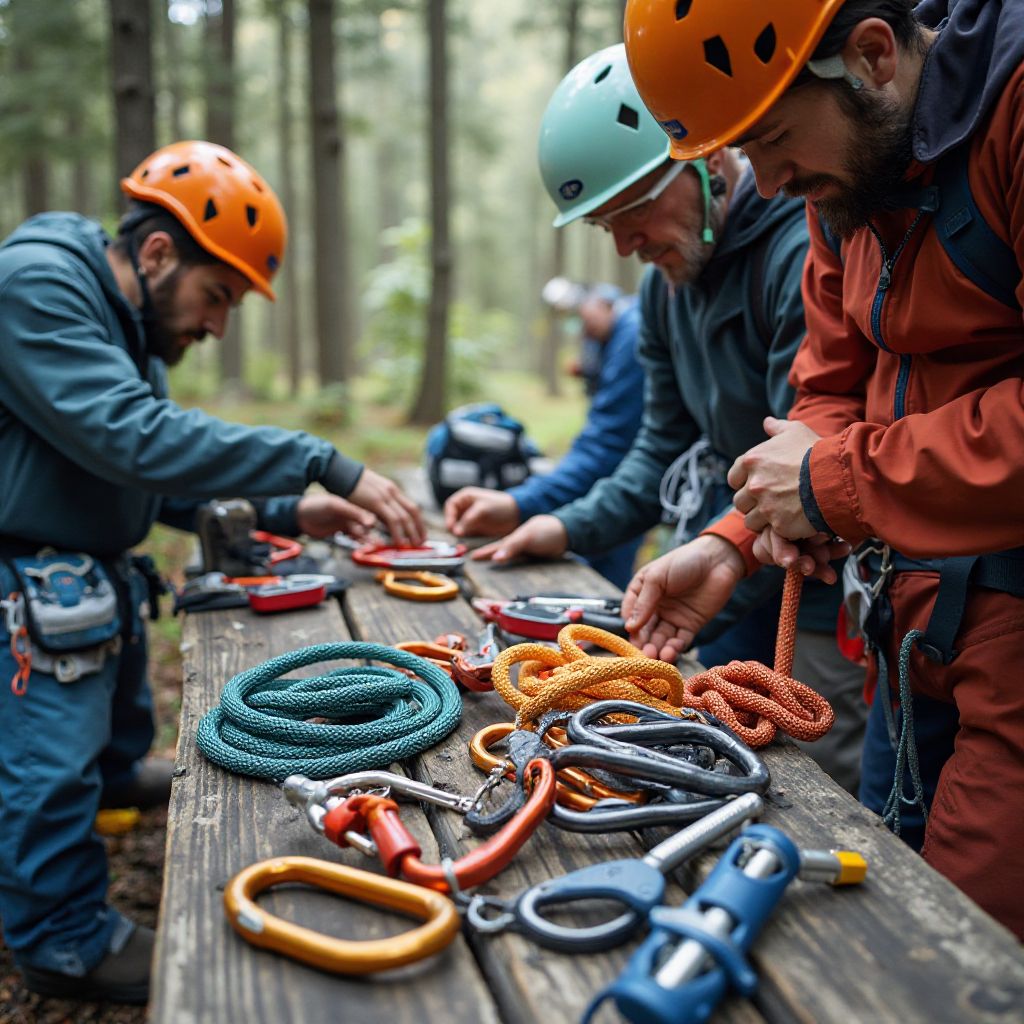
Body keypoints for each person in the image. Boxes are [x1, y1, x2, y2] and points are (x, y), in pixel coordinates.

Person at [622, 0, 1024, 939]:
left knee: (955, 951)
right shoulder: (843, 190)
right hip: (910, 633)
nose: (763, 181)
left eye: (768, 138)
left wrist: (837, 485)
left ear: (873, 57)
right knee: (881, 906)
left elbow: (833, 462)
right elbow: (827, 395)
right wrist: (736, 542)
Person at [0, 139, 425, 1003]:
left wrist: (288, 511)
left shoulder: (132, 329)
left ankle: (113, 780)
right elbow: (132, 437)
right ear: (159, 253)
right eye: (216, 295)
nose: (218, 325)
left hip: (77, 565)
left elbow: (140, 473)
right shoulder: (37, 287)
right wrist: (316, 461)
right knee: (44, 765)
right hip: (20, 573)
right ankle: (62, 941)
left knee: (98, 712)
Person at [470, 44, 867, 789]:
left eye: (633, 210)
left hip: (812, 601)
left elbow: (807, 464)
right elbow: (656, 448)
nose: (625, 245)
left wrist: (718, 561)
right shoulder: (665, 291)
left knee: (818, 790)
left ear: (707, 159)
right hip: (728, 569)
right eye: (603, 227)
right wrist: (557, 525)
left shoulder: (795, 252)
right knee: (715, 772)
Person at [445, 280, 646, 588]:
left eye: (581, 312)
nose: (579, 324)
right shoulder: (607, 336)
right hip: (626, 485)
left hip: (634, 488)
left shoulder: (631, 333)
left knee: (610, 570)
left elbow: (608, 444)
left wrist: (523, 503)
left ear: (602, 300)